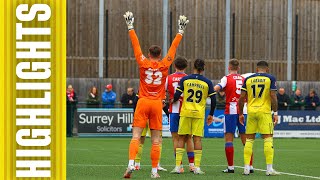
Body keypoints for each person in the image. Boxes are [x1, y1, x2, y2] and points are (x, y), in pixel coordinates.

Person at [122, 11, 189, 179]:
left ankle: (131, 164)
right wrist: (180, 32)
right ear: (160, 55)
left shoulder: (143, 62)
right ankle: (154, 171)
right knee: (157, 139)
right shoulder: (165, 65)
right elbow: (173, 50)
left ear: (149, 54)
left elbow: (135, 45)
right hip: (157, 103)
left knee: (136, 135)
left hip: (143, 101)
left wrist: (130, 27)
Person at [171, 59, 216, 175]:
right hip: (199, 114)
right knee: (197, 139)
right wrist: (211, 114)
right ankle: (196, 168)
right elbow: (214, 100)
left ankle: (177, 167)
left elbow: (176, 95)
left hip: (185, 112)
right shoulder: (207, 82)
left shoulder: (185, 79)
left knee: (181, 138)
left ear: (193, 67)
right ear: (203, 68)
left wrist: (170, 101)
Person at [239, 61, 280, 176]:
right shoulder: (270, 78)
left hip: (251, 112)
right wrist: (275, 112)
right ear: (267, 69)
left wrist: (241, 113)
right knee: (268, 138)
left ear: (257, 69)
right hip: (264, 112)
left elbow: (241, 98)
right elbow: (273, 96)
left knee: (249, 140)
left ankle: (246, 168)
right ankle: (269, 169)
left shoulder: (248, 79)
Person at [214, 59, 253, 173]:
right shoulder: (243, 79)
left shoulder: (226, 78)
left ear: (229, 67)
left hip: (230, 110)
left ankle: (231, 167)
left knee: (229, 138)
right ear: (238, 68)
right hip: (244, 110)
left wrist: (210, 91)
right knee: (246, 139)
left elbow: (219, 87)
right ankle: (249, 166)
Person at [166, 57, 195, 173]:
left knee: (175, 138)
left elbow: (164, 93)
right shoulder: (189, 79)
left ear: (174, 66)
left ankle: (179, 166)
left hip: (174, 110)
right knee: (188, 138)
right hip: (186, 111)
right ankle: (192, 165)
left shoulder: (169, 78)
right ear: (186, 66)